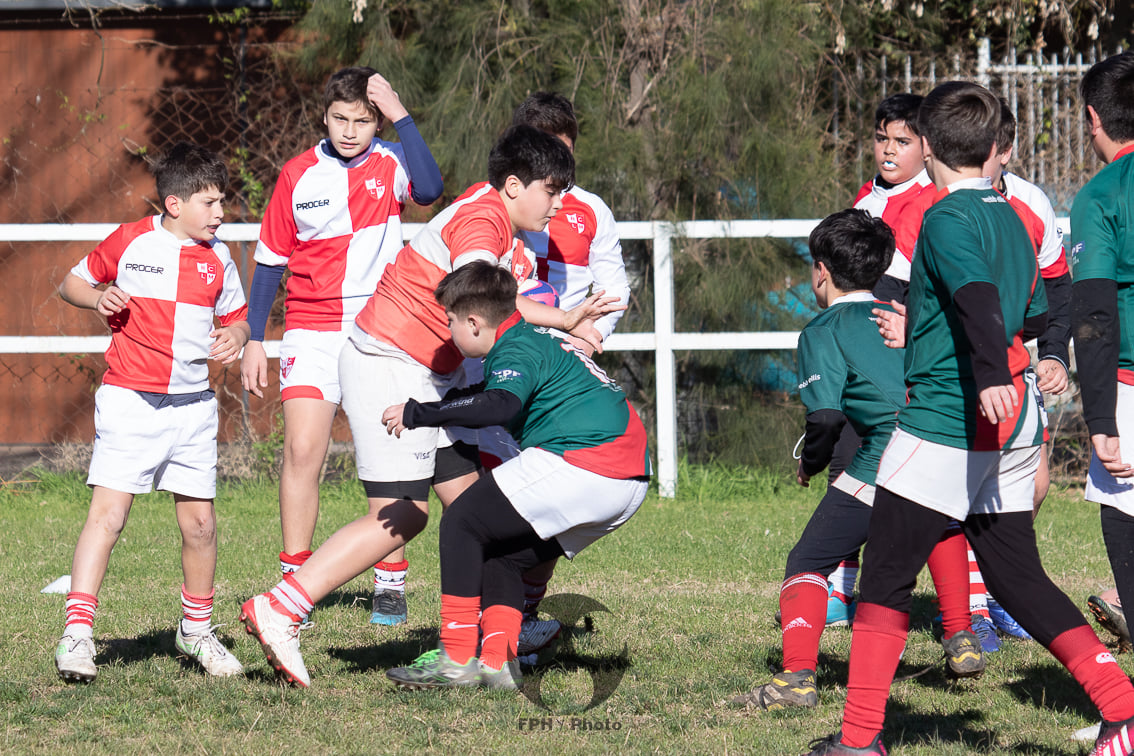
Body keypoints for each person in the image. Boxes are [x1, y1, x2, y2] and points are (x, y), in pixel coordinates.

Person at [805, 80, 1134, 756]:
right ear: (993, 148)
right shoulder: (1011, 215)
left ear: (927, 147)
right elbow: (1038, 309)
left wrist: (985, 372)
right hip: (1015, 421)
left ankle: (860, 740)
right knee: (1016, 576)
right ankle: (1122, 707)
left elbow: (978, 297)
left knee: (888, 573)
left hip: (950, 418)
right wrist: (1023, 353)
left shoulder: (947, 217)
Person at [237, 124, 622, 688]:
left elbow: (491, 303)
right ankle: (281, 608)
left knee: (477, 509)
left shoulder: (499, 222)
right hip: (389, 364)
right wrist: (564, 321)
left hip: (423, 374)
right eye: (551, 190)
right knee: (402, 515)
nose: (559, 204)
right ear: (514, 185)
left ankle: (490, 638)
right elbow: (477, 297)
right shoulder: (482, 220)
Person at [732, 208, 981, 712]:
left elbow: (824, 418)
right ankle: (961, 639)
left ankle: (797, 679)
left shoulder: (823, 329)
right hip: (949, 439)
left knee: (809, 560)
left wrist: (812, 462)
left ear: (820, 270)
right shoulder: (902, 317)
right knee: (937, 524)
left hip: (890, 450)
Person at [379, 261, 650, 690]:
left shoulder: (515, 349)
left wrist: (419, 413)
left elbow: (500, 406)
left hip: (588, 462)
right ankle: (498, 662)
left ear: (473, 322)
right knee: (502, 552)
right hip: (629, 480)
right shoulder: (533, 336)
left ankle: (455, 656)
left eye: (450, 321)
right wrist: (437, 406)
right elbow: (491, 395)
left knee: (462, 522)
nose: (448, 330)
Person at [239, 66, 443, 626]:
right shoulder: (297, 173)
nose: (350, 131)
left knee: (386, 454)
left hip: (378, 330)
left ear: (375, 122)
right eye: (339, 119)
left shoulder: (393, 161)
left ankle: (390, 581)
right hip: (309, 330)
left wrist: (401, 115)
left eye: (362, 120)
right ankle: (294, 580)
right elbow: (270, 262)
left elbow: (430, 190)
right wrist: (255, 339)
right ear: (323, 116)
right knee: (303, 451)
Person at [53, 142, 250, 683]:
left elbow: (238, 319)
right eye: (209, 203)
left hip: (194, 409)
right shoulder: (130, 239)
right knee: (109, 516)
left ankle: (196, 630)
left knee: (202, 525)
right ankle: (77, 634)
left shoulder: (220, 257)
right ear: (173, 204)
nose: (220, 212)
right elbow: (72, 283)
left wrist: (233, 337)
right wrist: (99, 299)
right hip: (130, 402)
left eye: (222, 201)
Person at [483, 91, 633, 658]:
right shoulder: (497, 205)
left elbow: (614, 289)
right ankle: (486, 618)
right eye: (548, 159)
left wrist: (591, 336)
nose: (559, 178)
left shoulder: (591, 209)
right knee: (492, 494)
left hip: (565, 375)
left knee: (545, 499)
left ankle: (518, 614)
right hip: (505, 364)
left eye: (566, 157)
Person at [1070, 51, 1134, 673]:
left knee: (1125, 523)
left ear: (1095, 118)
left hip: (1130, 385)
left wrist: (1100, 420)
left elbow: (1093, 315)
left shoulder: (1102, 195)